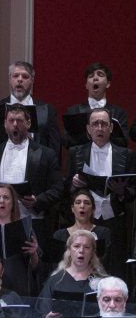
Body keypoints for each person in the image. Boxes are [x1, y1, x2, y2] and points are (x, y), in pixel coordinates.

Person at [60, 107, 132, 276]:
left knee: (114, 269)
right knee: (84, 268)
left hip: (114, 220)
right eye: (95, 124)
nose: (99, 128)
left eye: (104, 124)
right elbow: (65, 189)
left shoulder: (126, 155)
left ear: (111, 128)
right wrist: (73, 183)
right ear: (88, 129)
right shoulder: (75, 153)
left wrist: (122, 191)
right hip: (84, 220)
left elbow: (132, 191)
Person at [0, 105, 59, 248]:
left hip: (32, 222)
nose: (15, 124)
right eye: (11, 120)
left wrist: (37, 200)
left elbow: (57, 189)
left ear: (28, 123)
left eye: (19, 120)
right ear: (5, 124)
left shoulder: (46, 154)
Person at [0, 61, 62, 164]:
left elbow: (55, 147)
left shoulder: (47, 110)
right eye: (15, 76)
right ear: (9, 79)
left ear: (32, 80)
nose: (20, 80)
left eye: (25, 76)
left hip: (37, 166)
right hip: (4, 164)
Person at [39, 229, 107, 316]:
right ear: (69, 250)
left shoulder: (103, 282)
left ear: (92, 252)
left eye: (86, 247)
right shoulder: (55, 280)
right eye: (76, 246)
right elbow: (41, 313)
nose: (81, 250)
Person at [64, 63, 128, 149]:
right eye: (91, 76)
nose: (95, 78)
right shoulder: (73, 111)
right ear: (86, 85)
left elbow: (124, 142)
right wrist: (91, 135)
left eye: (100, 75)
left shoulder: (119, 113)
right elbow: (66, 141)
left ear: (108, 84)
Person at [50, 191, 112, 278]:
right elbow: (55, 264)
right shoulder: (59, 235)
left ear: (93, 209)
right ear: (72, 208)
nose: (82, 206)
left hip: (95, 278)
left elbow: (104, 261)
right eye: (78, 202)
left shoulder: (103, 232)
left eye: (87, 203)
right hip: (64, 279)